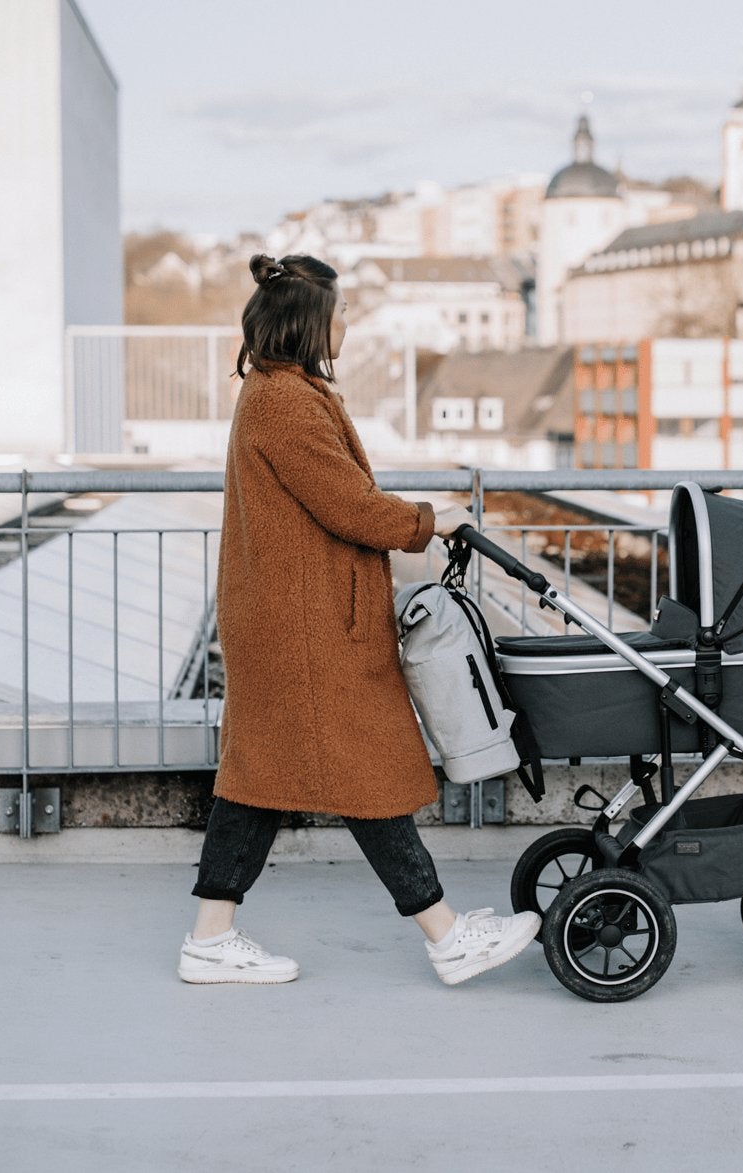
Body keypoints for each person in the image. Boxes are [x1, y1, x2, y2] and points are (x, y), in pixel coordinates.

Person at [177, 253, 539, 987]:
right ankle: (444, 935)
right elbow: (347, 504)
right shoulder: (285, 403)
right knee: (364, 768)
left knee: (258, 778)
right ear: (311, 322)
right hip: (304, 626)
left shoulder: (281, 392)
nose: (345, 325)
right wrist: (432, 522)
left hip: (294, 616)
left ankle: (210, 936)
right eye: (340, 314)